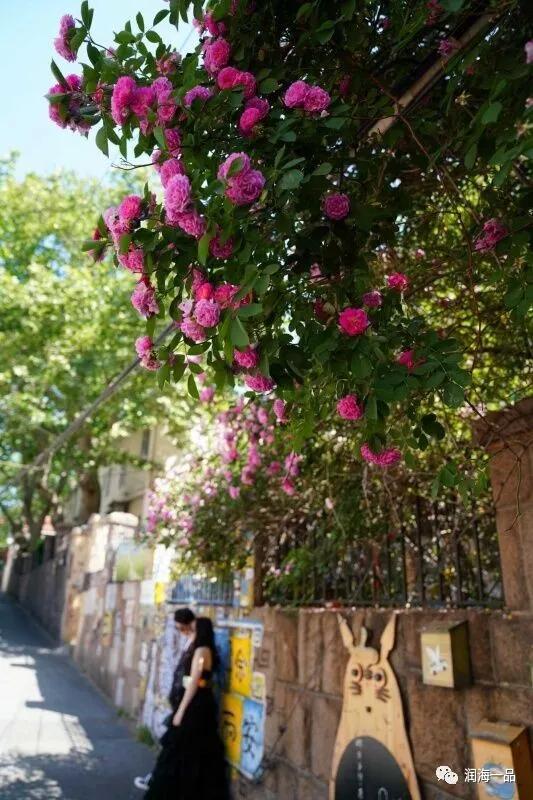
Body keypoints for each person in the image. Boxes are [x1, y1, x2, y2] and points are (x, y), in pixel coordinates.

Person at [138, 615, 231, 800]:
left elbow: (194, 683)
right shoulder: (205, 649)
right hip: (202, 703)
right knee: (194, 747)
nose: (189, 632)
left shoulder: (201, 651)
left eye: (193, 629)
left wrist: (180, 710)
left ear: (200, 631)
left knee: (180, 744)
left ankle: (171, 786)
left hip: (196, 704)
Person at [134, 607, 196, 792]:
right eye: (178, 629)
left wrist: (182, 707)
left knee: (171, 746)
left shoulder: (197, 645)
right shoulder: (190, 642)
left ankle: (156, 780)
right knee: (173, 747)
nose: (181, 633)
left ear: (189, 624)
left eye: (182, 628)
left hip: (186, 706)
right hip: (182, 703)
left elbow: (194, 678)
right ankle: (159, 779)